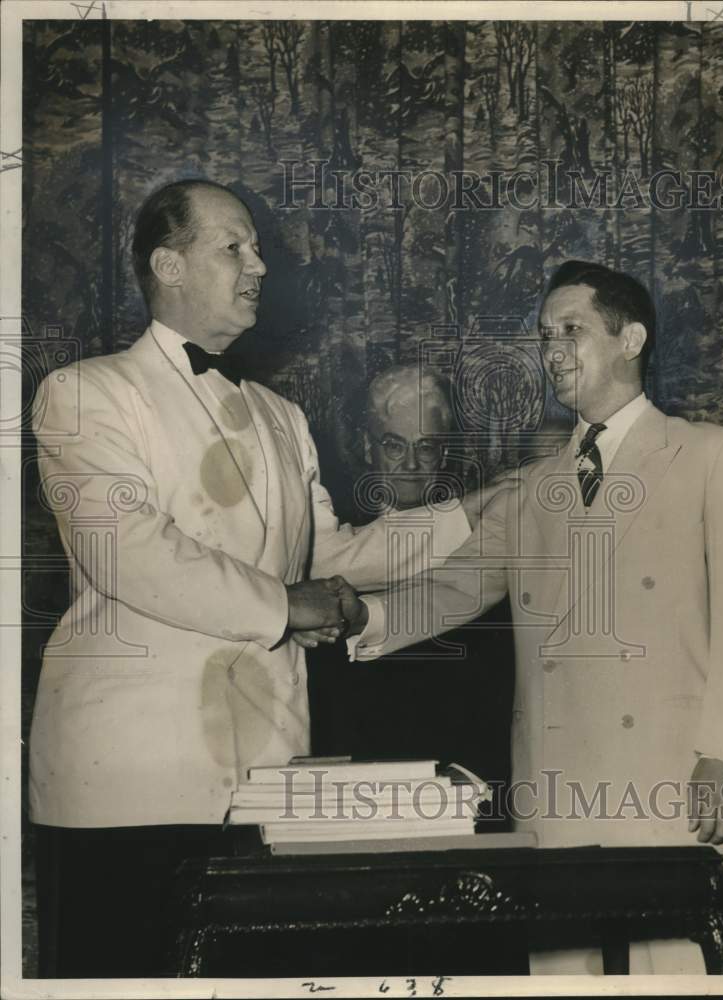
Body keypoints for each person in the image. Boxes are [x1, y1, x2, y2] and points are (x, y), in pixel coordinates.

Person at [29, 178, 486, 976]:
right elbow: (129, 550)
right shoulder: (83, 393)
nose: (260, 265)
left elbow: (328, 559)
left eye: (259, 248)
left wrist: (477, 515)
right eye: (234, 247)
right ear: (167, 264)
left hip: (271, 784)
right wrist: (284, 606)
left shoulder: (281, 416)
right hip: (132, 789)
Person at [344, 260, 723, 973]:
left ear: (631, 338)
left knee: (671, 974)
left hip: (672, 785)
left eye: (571, 330)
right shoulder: (536, 484)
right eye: (545, 334)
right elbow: (454, 588)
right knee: (559, 979)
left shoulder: (715, 458)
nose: (551, 349)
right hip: (553, 792)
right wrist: (353, 616)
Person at [308, 365, 515, 813]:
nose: (411, 464)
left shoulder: (482, 548)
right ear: (367, 447)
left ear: (443, 456)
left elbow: (501, 694)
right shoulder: (336, 545)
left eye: (427, 448)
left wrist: (471, 780)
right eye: (394, 445)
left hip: (453, 793)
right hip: (344, 793)